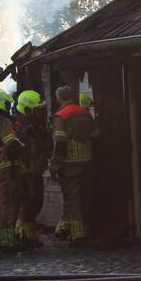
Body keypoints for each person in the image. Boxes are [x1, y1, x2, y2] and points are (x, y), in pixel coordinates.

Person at [49, 84, 98, 244]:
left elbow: (60, 143)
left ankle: (77, 235)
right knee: (87, 197)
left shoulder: (61, 116)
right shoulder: (86, 113)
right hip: (88, 162)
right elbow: (96, 136)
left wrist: (55, 165)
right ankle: (89, 229)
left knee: (73, 199)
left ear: (59, 98)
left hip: (69, 164)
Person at [0, 87, 23, 250]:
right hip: (6, 166)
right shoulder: (4, 122)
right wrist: (23, 144)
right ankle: (8, 241)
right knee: (7, 202)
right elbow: (11, 143)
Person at [13, 90, 49, 247]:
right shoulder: (17, 126)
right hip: (24, 172)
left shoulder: (37, 127)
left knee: (36, 201)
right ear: (27, 110)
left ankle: (28, 233)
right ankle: (23, 234)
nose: (40, 112)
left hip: (36, 171)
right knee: (26, 202)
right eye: (37, 109)